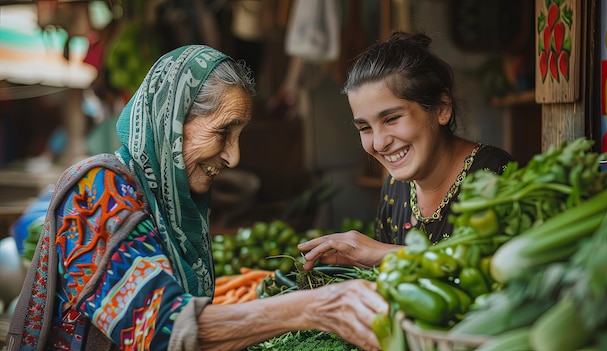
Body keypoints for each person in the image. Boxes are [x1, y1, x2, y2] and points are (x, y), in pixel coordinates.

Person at [5, 45, 387, 351]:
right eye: (223, 133)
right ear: (171, 124)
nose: (233, 157)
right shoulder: (97, 193)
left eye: (239, 137)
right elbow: (157, 331)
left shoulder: (174, 209)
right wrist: (317, 306)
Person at [298, 31, 515, 270]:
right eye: (365, 127)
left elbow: (496, 275)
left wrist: (386, 253)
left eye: (391, 119)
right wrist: (362, 263)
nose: (379, 143)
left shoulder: (493, 175)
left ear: (442, 108)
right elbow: (397, 280)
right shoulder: (395, 188)